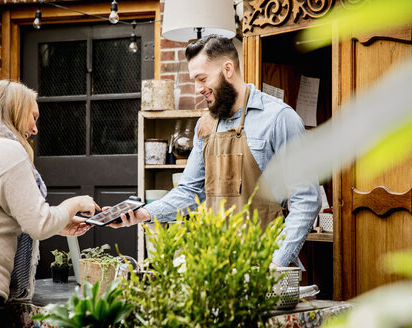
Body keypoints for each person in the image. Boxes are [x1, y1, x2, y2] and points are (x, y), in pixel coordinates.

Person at [110, 35, 321, 268]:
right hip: (216, 267)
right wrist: (142, 214)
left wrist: (276, 263)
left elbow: (306, 200)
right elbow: (190, 192)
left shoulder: (280, 118)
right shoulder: (206, 124)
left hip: (266, 265)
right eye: (194, 81)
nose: (198, 89)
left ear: (228, 69)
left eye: (202, 79)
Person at [0, 80, 99, 326]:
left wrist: (60, 223)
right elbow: (38, 224)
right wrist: (74, 204)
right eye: (33, 117)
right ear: (14, 111)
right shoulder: (7, 150)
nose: (35, 129)